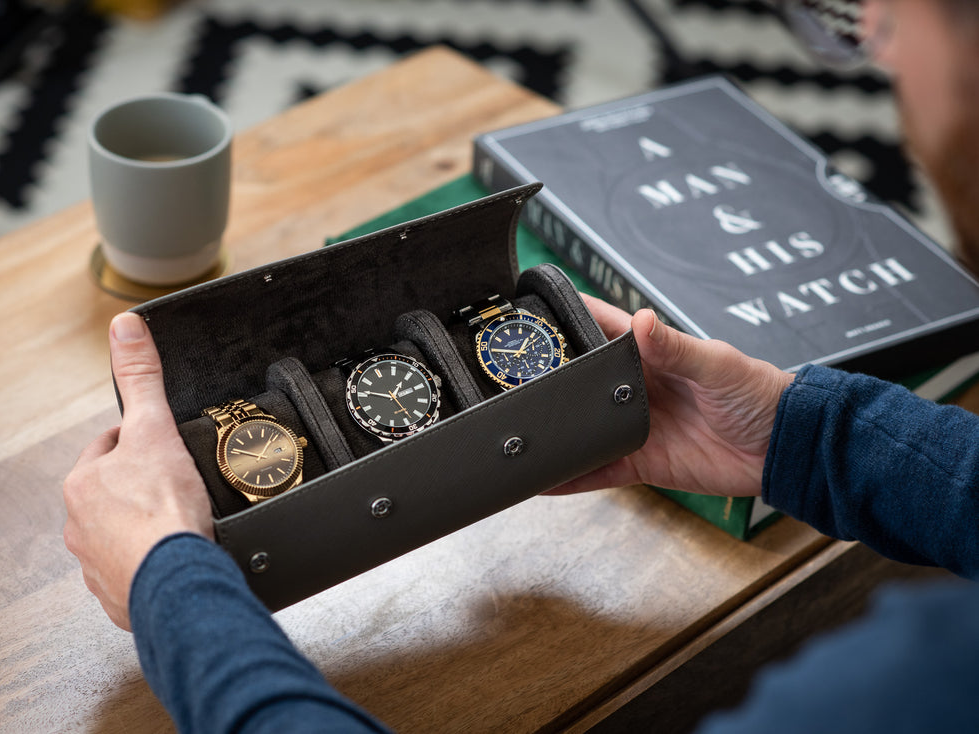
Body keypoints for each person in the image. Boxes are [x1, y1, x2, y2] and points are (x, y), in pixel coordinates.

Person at [63, 0, 979, 731]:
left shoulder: (896, 688)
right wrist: (803, 436)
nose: (883, 52)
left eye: (889, 21)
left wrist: (173, 587)